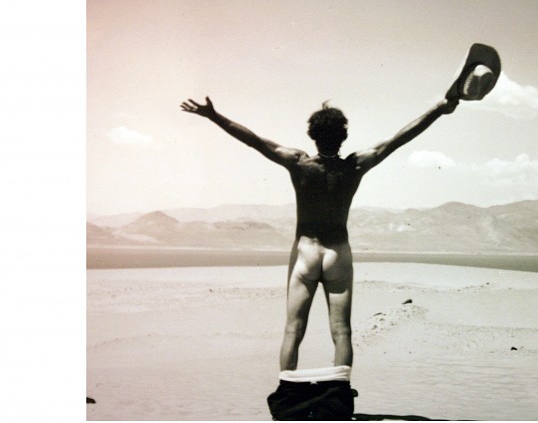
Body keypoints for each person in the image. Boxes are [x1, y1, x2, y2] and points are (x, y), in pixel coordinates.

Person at [180, 96, 459, 371]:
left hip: (306, 253)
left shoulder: (298, 162)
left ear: (312, 135)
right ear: (344, 136)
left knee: (293, 330)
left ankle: (287, 390)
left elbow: (254, 141)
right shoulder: (355, 165)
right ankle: (340, 390)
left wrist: (214, 116)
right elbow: (398, 139)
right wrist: (438, 108)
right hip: (338, 253)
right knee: (342, 331)